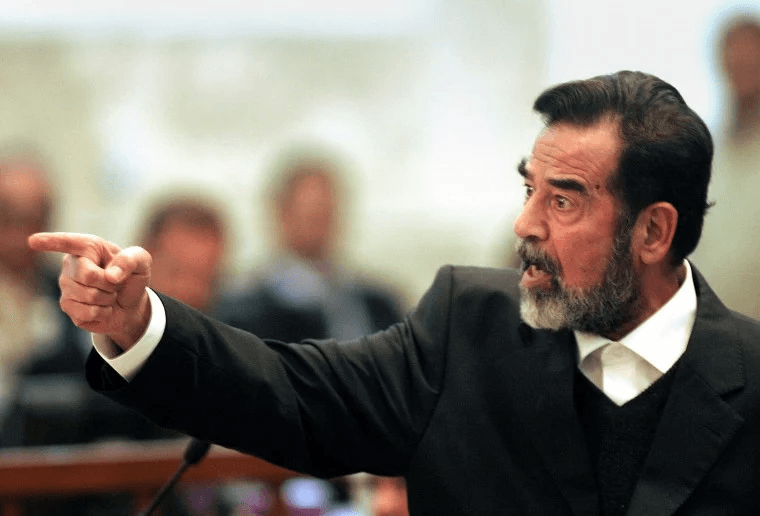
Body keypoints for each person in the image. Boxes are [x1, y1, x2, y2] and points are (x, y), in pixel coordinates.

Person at [29, 70, 760, 514]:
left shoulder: (750, 378)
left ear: (653, 232)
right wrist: (138, 322)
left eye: (563, 201)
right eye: (528, 190)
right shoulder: (470, 327)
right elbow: (292, 392)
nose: (525, 224)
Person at [218, 149, 406, 344]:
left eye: (327, 214)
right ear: (281, 215)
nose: (320, 228)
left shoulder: (377, 302)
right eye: (310, 216)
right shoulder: (243, 310)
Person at [690, 14, 760, 319]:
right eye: (734, 54)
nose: (741, 63)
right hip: (710, 327)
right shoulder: (705, 151)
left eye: (751, 56)